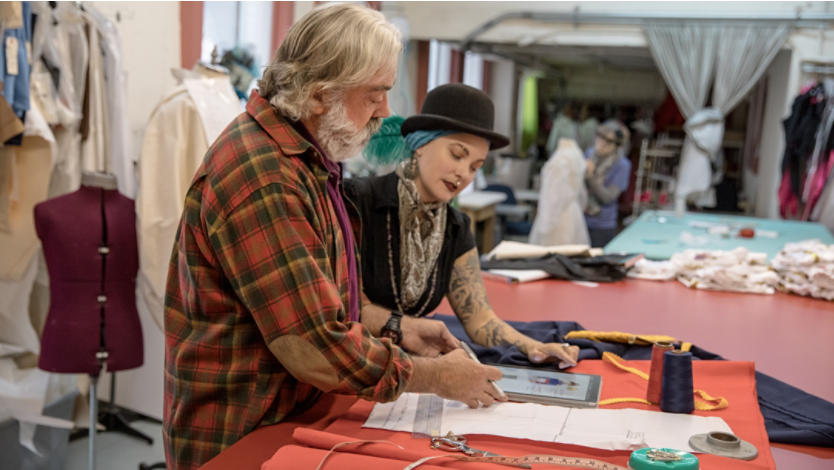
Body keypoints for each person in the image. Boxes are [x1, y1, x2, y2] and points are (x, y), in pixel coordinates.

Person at [163, 6, 503, 470]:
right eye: (375, 95)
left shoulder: (307, 160)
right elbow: (313, 343)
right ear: (321, 95)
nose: (385, 111)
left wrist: (397, 327)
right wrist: (436, 378)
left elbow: (320, 298)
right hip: (241, 437)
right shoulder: (265, 175)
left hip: (290, 419)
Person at [345, 84, 581, 369]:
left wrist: (533, 346)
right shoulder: (358, 203)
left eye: (475, 166)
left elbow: (480, 320)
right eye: (457, 155)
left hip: (411, 372)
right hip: (352, 369)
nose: (463, 174)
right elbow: (347, 306)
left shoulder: (454, 228)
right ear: (420, 145)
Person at [583, 120, 632, 248]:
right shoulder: (589, 154)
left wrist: (590, 176)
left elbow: (608, 197)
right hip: (581, 219)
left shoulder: (622, 165)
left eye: (608, 142)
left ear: (617, 146)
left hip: (602, 225)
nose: (601, 144)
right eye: (599, 138)